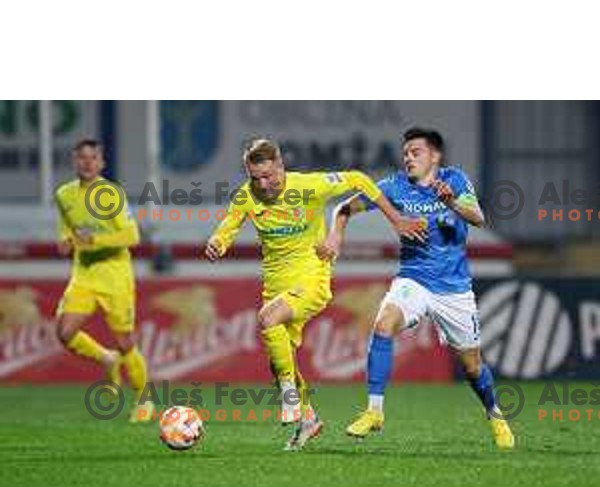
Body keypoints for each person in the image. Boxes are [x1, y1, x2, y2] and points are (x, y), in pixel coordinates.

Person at [205, 138, 425, 449]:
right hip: (276, 286)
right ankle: (308, 419)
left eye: (269, 176)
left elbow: (358, 178)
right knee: (282, 360)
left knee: (267, 319)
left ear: (281, 165)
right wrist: (218, 241)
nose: (264, 184)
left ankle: (289, 399)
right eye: (256, 178)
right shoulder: (246, 196)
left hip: (312, 278)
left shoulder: (309, 186)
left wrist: (396, 219)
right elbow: (229, 224)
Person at [317, 127, 514, 449]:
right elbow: (343, 209)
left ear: (435, 156)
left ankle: (495, 414)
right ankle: (374, 411)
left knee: (472, 367)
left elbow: (478, 218)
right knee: (382, 326)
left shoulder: (455, 180)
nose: (408, 157)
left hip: (454, 289)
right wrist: (335, 235)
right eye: (405, 153)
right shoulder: (392, 187)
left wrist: (452, 202)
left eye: (415, 152)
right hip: (414, 280)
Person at [54, 139, 153, 423]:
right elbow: (66, 231)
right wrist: (65, 241)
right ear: (75, 161)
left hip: (115, 277)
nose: (87, 162)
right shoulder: (64, 195)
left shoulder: (110, 194)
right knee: (64, 332)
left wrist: (94, 240)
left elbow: (132, 236)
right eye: (82, 157)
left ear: (101, 163)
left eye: (93, 157)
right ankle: (107, 360)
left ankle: (144, 400)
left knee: (125, 342)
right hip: (83, 275)